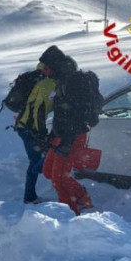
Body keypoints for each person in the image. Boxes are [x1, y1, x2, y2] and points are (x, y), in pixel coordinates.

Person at [42, 52, 94, 215]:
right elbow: (61, 113)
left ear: (55, 66)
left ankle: (69, 215)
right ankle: (81, 195)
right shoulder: (62, 81)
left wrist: (67, 140)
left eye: (46, 67)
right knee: (48, 171)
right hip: (61, 135)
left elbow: (77, 114)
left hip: (72, 136)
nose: (44, 71)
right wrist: (52, 136)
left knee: (59, 179)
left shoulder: (75, 81)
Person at [13, 56, 59, 204]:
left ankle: (30, 194)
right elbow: (37, 110)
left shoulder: (36, 79)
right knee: (36, 162)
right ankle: (29, 196)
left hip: (24, 126)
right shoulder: (45, 83)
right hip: (30, 128)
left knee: (36, 160)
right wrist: (41, 133)